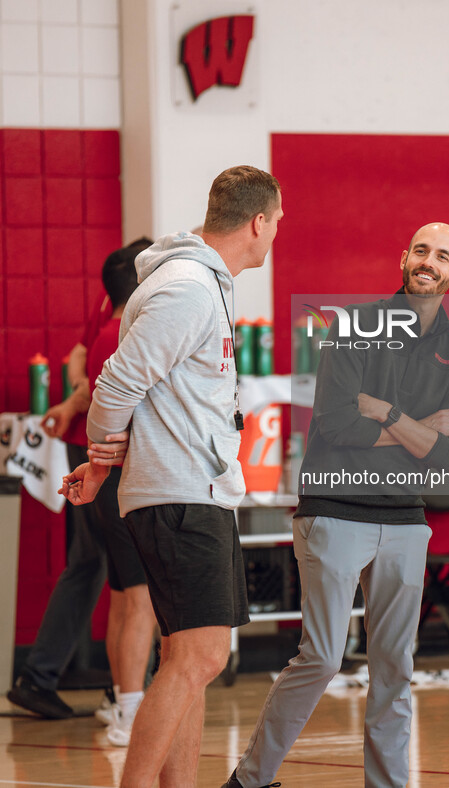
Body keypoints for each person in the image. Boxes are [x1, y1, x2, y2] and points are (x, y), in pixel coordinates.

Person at [221, 222, 449, 788]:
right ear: (403, 258)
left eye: (442, 256)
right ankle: (248, 782)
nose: (428, 261)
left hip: (407, 523)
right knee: (322, 658)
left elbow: (447, 457)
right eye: (420, 250)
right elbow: (336, 424)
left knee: (395, 669)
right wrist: (416, 427)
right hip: (334, 512)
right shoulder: (354, 327)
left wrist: (385, 414)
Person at [61, 165, 283, 788]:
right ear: (258, 222)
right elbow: (115, 384)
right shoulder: (188, 287)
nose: (276, 235)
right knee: (203, 655)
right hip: (180, 496)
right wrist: (103, 461)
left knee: (188, 657)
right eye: (278, 224)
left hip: (190, 492)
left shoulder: (201, 282)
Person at [6, 247, 143, 719]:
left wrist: (68, 404)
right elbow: (98, 374)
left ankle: (56, 679)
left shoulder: (110, 312)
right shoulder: (123, 321)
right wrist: (73, 405)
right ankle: (126, 698)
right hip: (104, 457)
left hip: (90, 446)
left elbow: (78, 360)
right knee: (131, 587)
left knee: (96, 568)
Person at [87, 244, 157, 746]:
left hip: (109, 482)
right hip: (122, 481)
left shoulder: (100, 335)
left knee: (121, 599)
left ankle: (119, 699)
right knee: (141, 602)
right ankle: (130, 713)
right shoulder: (127, 334)